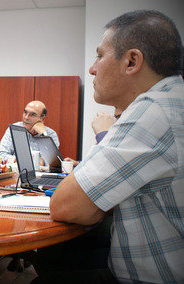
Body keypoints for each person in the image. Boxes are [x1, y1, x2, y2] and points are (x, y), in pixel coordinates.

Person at [48, 10, 184, 283]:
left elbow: (65, 207)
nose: (92, 68)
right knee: (56, 255)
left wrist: (105, 133)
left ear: (132, 61)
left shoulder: (153, 109)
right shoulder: (172, 98)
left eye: (99, 55)